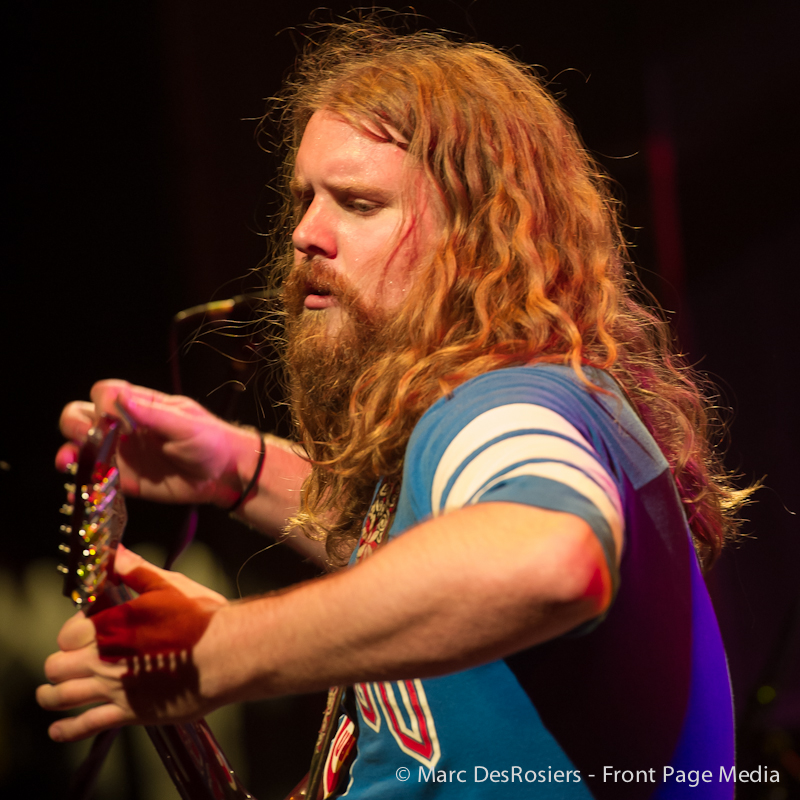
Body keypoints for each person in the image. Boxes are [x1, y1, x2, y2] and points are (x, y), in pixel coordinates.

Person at [37, 21, 752, 799]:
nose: (307, 234)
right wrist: (236, 465)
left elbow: (547, 560)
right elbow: (438, 541)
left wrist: (217, 652)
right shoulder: (527, 400)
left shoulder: (501, 402)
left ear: (476, 243)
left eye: (359, 203)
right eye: (305, 198)